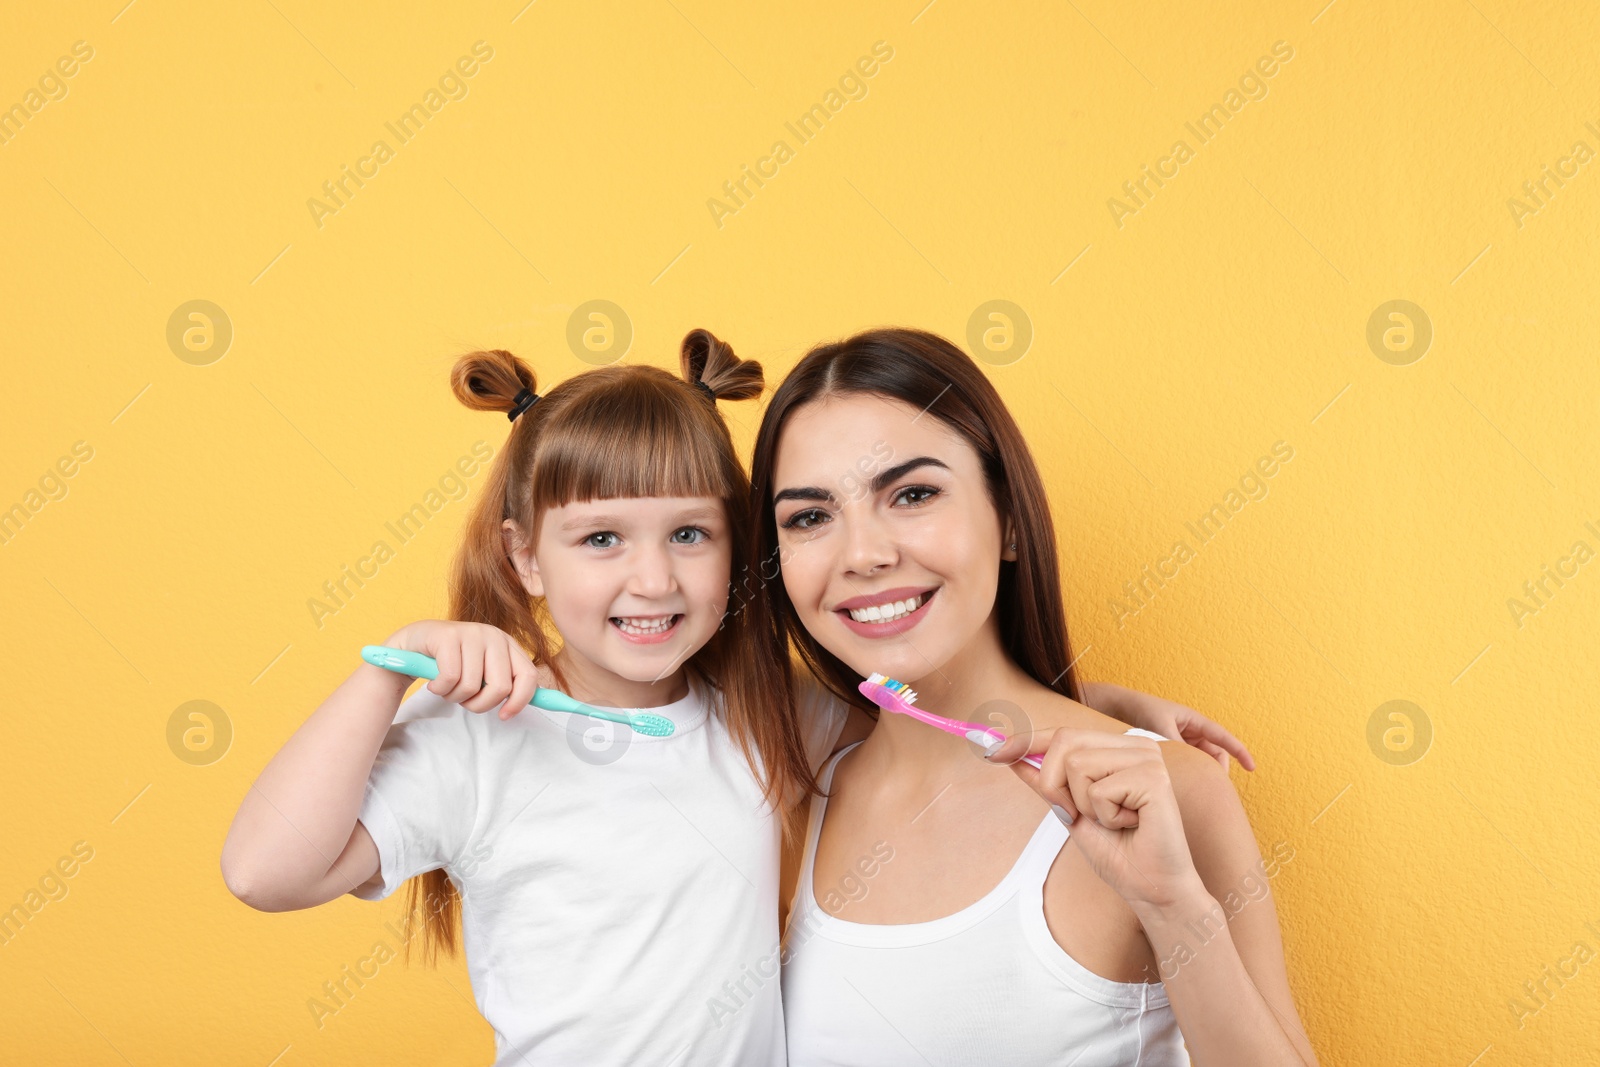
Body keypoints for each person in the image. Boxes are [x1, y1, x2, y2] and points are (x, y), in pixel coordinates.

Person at [220, 326, 1252, 1065]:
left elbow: (927, 709)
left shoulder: (764, 722)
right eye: (599, 539)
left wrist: (1102, 708)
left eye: (690, 535)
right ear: (522, 556)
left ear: (735, 551)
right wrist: (386, 664)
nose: (653, 579)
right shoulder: (476, 738)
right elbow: (267, 868)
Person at [750, 327, 1318, 1065]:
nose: (863, 553)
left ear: (1010, 520)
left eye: (913, 493)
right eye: (810, 516)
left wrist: (1175, 910)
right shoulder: (795, 785)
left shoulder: (1168, 790)